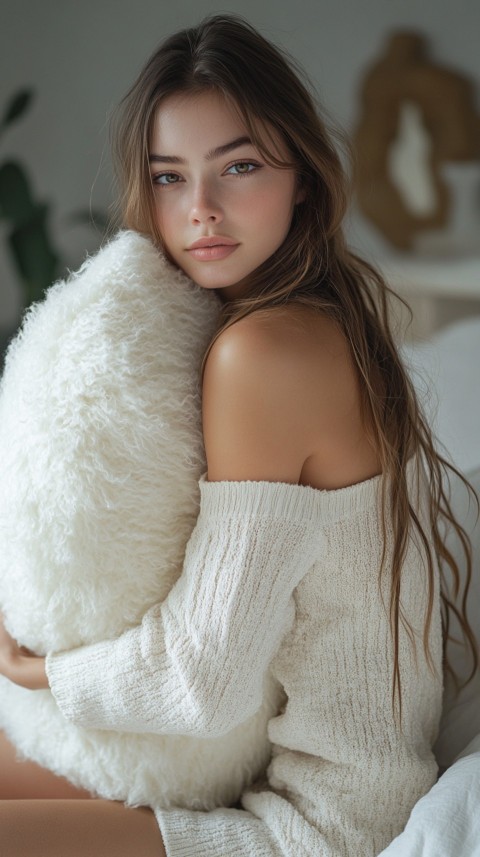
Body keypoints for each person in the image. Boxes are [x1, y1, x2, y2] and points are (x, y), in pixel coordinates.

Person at [0, 13, 477, 857]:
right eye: (169, 177)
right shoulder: (310, 318)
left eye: (240, 167)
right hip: (266, 774)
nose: (202, 212)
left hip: (318, 822)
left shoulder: (259, 353)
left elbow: (201, 679)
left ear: (303, 175)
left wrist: (38, 669)